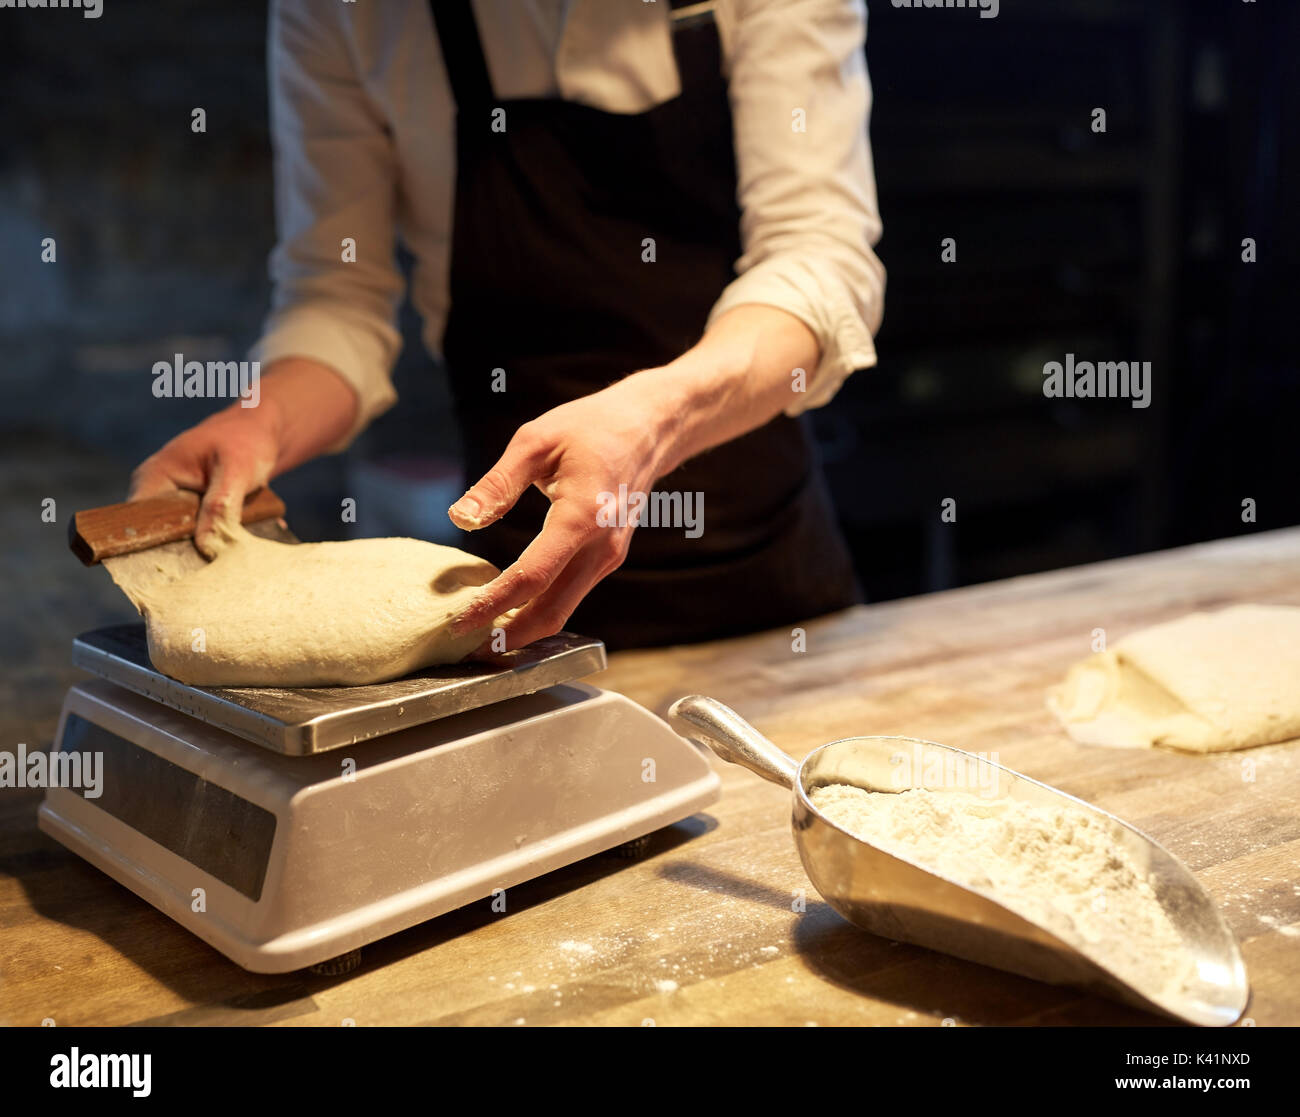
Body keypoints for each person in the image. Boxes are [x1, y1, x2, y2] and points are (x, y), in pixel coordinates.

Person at [130, 0, 885, 652]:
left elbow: (819, 258)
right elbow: (339, 295)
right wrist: (260, 422)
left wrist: (655, 418)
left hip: (763, 581)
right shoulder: (348, 13)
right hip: (506, 595)